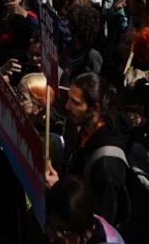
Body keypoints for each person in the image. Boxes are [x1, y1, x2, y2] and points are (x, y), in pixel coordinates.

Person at [51, 73, 131, 230]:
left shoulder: (108, 166)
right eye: (68, 99)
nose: (67, 106)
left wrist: (59, 189)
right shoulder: (86, 132)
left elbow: (102, 226)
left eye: (75, 103)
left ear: (95, 108)